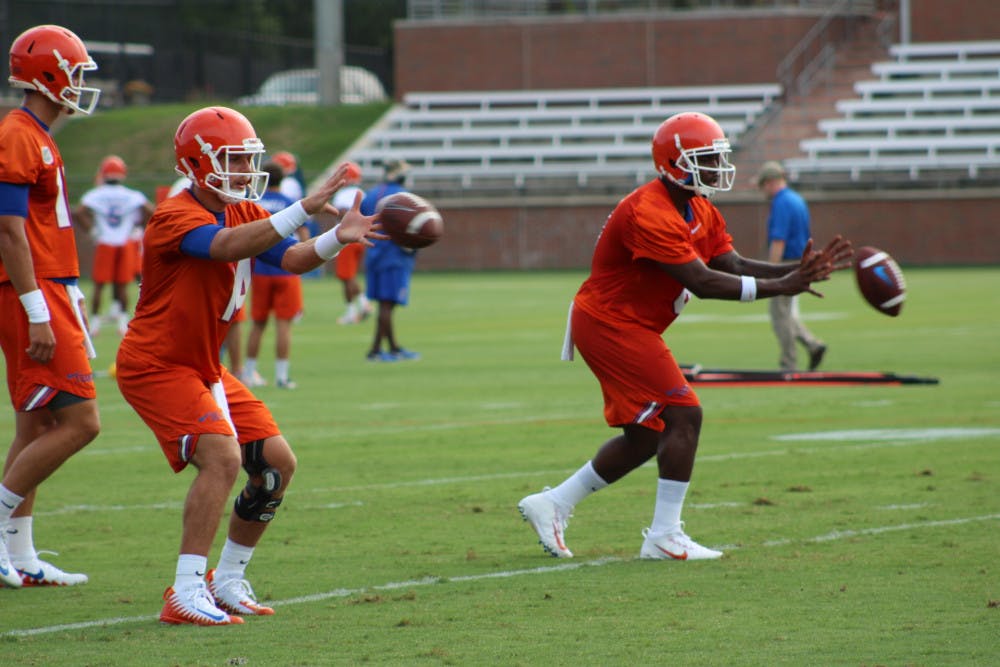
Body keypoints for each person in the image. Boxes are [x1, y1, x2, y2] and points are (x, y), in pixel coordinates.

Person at [517, 112, 852, 561]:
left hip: (627, 323)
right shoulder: (649, 211)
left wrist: (795, 272)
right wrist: (782, 286)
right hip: (611, 323)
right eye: (706, 159)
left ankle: (553, 504)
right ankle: (664, 535)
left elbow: (731, 264)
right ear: (673, 162)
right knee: (685, 414)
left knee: (646, 437)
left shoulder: (697, 206)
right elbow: (703, 281)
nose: (717, 167)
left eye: (717, 158)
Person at [115, 106, 380, 625]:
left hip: (205, 366)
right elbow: (224, 247)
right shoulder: (174, 214)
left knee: (277, 465)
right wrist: (302, 208)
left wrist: (336, 238)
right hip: (158, 363)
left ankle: (228, 580)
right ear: (198, 163)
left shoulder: (241, 210)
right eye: (233, 159)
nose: (243, 170)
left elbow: (292, 259)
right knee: (221, 458)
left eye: (247, 159)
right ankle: (185, 590)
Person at [0, 24, 102, 588]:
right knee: (81, 422)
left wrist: (68, 290)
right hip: (30, 292)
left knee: (37, 423)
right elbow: (9, 230)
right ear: (49, 74)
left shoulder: (37, 133)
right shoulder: (18, 134)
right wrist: (39, 307)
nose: (80, 84)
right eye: (75, 72)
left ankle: (20, 554)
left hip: (48, 286)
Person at [756, 160, 828, 371]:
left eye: (763, 185)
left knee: (779, 316)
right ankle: (813, 345)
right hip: (800, 262)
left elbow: (779, 240)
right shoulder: (797, 199)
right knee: (787, 314)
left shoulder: (781, 203)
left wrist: (771, 272)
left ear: (769, 182)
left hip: (786, 264)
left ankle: (789, 363)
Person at [243, 162, 308, 389]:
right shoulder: (289, 202)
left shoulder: (254, 203)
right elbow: (303, 234)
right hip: (286, 269)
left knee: (258, 324)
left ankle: (249, 373)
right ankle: (282, 376)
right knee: (284, 325)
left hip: (260, 269)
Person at [73, 155, 154, 336]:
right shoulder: (131, 195)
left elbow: (79, 212)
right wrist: (140, 226)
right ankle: (122, 324)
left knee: (99, 285)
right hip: (124, 242)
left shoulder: (96, 194)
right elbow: (151, 211)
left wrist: (93, 231)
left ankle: (94, 324)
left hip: (105, 242)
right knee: (122, 285)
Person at [361, 158, 421, 362]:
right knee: (387, 304)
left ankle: (384, 349)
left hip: (374, 253)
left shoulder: (371, 194)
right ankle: (380, 351)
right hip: (393, 255)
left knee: (384, 304)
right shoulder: (402, 196)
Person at [332, 162, 372, 325]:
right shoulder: (363, 193)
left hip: (347, 238)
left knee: (346, 276)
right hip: (361, 237)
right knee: (350, 276)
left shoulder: (343, 194)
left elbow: (341, 214)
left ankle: (353, 311)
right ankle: (363, 304)